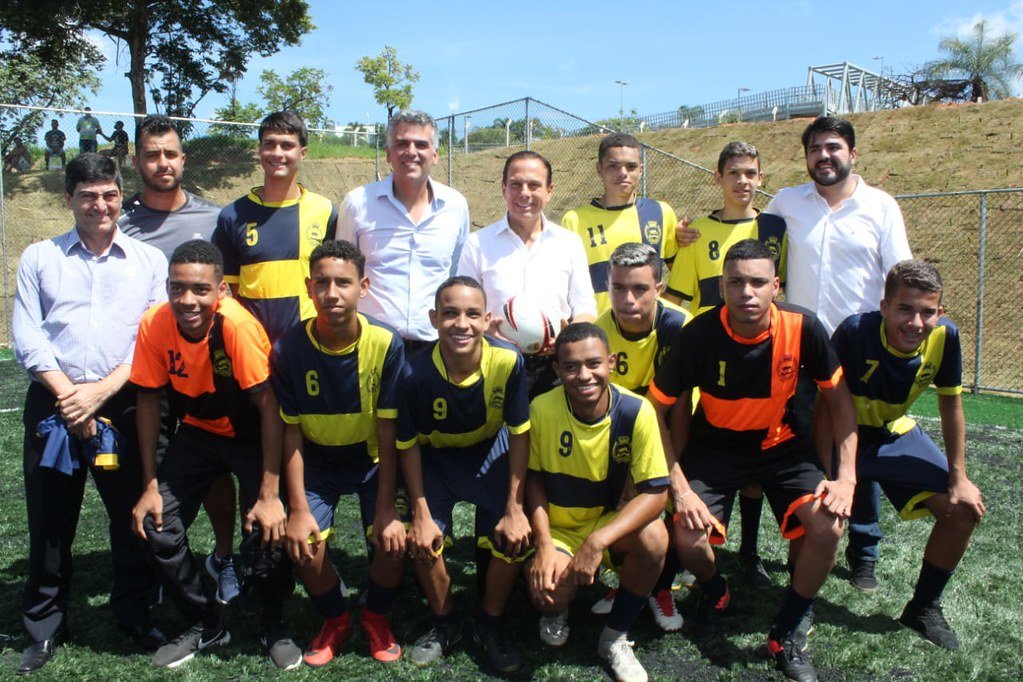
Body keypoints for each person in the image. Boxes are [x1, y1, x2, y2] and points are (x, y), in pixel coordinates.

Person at [676, 117, 912, 592]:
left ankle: (863, 548)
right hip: (792, 345)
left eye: (834, 148)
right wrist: (682, 235)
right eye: (815, 150)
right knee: (788, 448)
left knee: (854, 441)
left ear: (852, 154)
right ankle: (767, 548)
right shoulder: (787, 205)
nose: (824, 157)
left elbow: (900, 271)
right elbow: (735, 232)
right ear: (805, 158)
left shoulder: (881, 206)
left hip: (855, 343)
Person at [647, 240, 858, 682]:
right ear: (722, 287)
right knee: (686, 534)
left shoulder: (804, 327)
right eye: (736, 282)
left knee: (828, 523)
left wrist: (846, 479)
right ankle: (714, 587)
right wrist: (680, 488)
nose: (747, 291)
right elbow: (655, 412)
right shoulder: (699, 335)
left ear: (775, 286)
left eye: (758, 282)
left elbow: (840, 402)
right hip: (716, 449)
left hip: (784, 449)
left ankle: (790, 624)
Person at [12, 153, 167, 674]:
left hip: (121, 406)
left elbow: (150, 339)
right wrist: (68, 395)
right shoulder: (40, 257)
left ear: (121, 197)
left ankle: (137, 612)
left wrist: (98, 394)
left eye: (109, 195)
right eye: (88, 196)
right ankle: (44, 625)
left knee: (130, 519)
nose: (100, 205)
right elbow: (27, 336)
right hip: (52, 405)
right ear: (69, 199)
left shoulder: (148, 261)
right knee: (50, 520)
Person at [129, 240, 297, 670]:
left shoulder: (236, 328)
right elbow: (149, 401)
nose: (188, 300)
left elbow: (269, 409)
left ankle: (272, 622)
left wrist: (270, 491)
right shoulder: (154, 323)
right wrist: (149, 484)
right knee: (155, 522)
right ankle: (203, 620)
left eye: (200, 289)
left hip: (250, 435)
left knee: (268, 528)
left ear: (221, 290)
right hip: (199, 433)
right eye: (177, 288)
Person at [828, 259, 983, 649]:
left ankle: (923, 608)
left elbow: (951, 405)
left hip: (891, 432)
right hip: (839, 435)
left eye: (927, 311)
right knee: (821, 520)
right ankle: (800, 606)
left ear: (940, 312)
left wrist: (959, 477)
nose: (916, 322)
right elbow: (821, 405)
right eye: (905, 309)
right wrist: (838, 474)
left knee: (962, 509)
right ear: (884, 307)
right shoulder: (854, 332)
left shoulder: (945, 336)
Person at [119, 113, 240, 605]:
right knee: (154, 472)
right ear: (137, 161)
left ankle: (225, 557)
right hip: (146, 366)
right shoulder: (121, 221)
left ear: (184, 159)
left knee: (213, 472)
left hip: (203, 369)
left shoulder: (214, 218)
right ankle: (167, 570)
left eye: (170, 153)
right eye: (152, 154)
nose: (162, 162)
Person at [273, 240, 407, 666]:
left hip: (371, 460)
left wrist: (387, 506)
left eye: (343, 283)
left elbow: (388, 432)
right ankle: (335, 618)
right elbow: (290, 434)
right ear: (309, 287)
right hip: (316, 461)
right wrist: (296, 508)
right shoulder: (288, 349)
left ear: (362, 287)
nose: (332, 293)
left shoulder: (386, 343)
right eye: (323, 283)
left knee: (392, 541)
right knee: (302, 544)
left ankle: (374, 616)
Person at [665, 141, 788, 588]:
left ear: (760, 177)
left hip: (763, 358)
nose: (743, 181)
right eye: (734, 173)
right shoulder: (696, 231)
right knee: (707, 454)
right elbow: (678, 298)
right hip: (709, 365)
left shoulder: (776, 228)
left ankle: (750, 552)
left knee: (755, 459)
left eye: (751, 173)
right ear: (718, 178)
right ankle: (697, 548)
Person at [397, 276, 531, 674]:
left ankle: (489, 625)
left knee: (512, 538)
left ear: (488, 320)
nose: (462, 323)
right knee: (421, 540)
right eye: (451, 313)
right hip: (434, 460)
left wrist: (515, 505)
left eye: (473, 314)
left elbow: (520, 435)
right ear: (434, 318)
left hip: (489, 453)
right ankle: (445, 623)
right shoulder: (412, 374)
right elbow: (406, 445)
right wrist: (419, 512)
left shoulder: (508, 361)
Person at [525, 322, 669, 682]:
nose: (583, 375)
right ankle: (558, 611)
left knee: (655, 538)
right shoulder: (541, 409)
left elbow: (656, 493)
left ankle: (614, 636)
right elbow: (534, 480)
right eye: (571, 366)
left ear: (612, 362)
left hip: (607, 525)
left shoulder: (637, 411)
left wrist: (597, 541)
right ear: (557, 370)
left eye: (593, 364)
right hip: (560, 528)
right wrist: (543, 545)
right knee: (546, 596)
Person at [589, 242, 692, 632]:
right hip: (623, 437)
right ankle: (630, 580)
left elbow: (679, 409)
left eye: (640, 289)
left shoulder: (680, 326)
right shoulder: (599, 331)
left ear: (659, 288)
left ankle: (661, 587)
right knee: (621, 505)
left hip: (677, 432)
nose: (628, 299)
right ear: (608, 285)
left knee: (672, 506)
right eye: (619, 288)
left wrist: (669, 473)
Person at [457, 150, 596, 396]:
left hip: (554, 368)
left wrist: (567, 336)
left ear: (549, 190)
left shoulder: (569, 243)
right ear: (503, 189)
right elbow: (463, 308)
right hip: (494, 362)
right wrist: (486, 329)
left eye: (534, 185)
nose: (524, 193)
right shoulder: (477, 243)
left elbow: (585, 306)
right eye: (515, 184)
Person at [337, 110, 470, 356]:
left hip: (435, 349)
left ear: (435, 154)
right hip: (372, 347)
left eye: (421, 144)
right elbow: (343, 274)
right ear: (388, 153)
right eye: (401, 144)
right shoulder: (357, 204)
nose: (411, 152)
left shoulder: (456, 207)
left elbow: (454, 272)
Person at [212, 110, 337, 344]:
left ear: (302, 153)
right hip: (252, 344)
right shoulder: (232, 216)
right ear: (259, 150)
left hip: (308, 343)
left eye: (286, 145)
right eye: (269, 144)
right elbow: (231, 290)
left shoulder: (325, 211)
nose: (277, 153)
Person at [561, 132, 678, 314]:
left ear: (641, 169)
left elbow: (682, 274)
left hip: (648, 335)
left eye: (631, 166)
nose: (623, 173)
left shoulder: (661, 213)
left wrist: (663, 311)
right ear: (599, 169)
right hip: (597, 332)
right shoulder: (574, 220)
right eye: (613, 166)